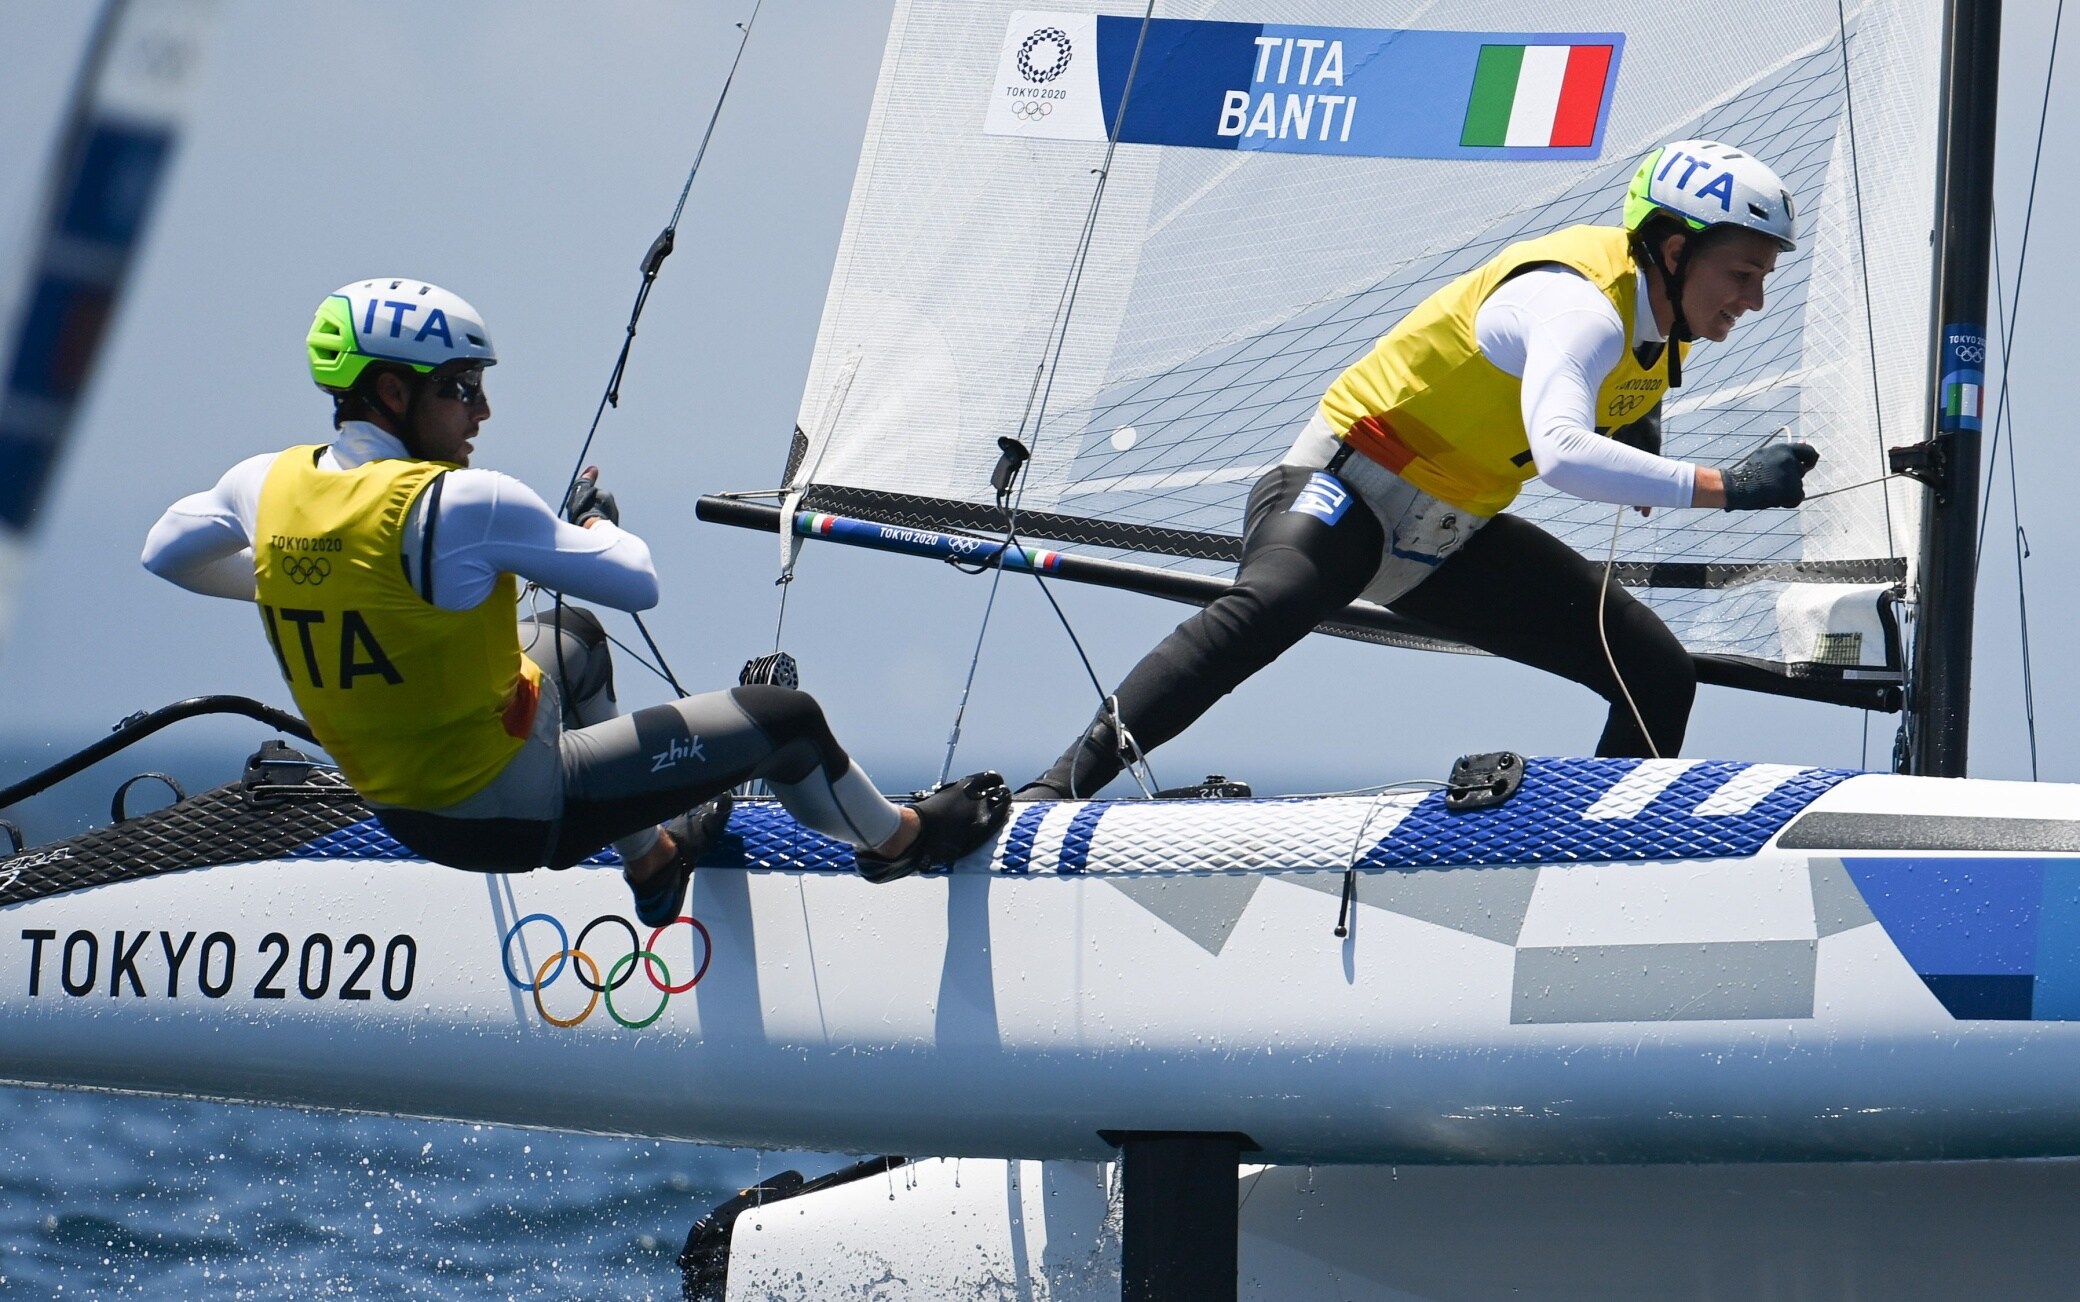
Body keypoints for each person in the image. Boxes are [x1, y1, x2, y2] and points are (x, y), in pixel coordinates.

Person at [144, 277, 1009, 922]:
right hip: (515, 816)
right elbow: (638, 578)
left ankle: (652, 862)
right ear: (392, 391)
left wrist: (323, 578)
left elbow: (168, 555)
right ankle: (901, 842)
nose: (481, 410)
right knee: (785, 718)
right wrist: (588, 528)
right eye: (459, 387)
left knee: (576, 638)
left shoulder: (264, 484)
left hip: (403, 809)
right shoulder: (463, 505)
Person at [1021, 140, 1820, 799]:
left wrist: (1642, 437)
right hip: (1346, 487)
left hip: (1447, 534)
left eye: (1763, 279)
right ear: (1675, 251)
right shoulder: (1575, 305)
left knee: (1656, 671)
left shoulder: (1665, 310)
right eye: (1742, 275)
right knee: (1277, 602)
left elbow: (1630, 383)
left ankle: (1596, 842)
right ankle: (1056, 792)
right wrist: (1727, 487)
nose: (1753, 301)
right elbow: (1563, 452)